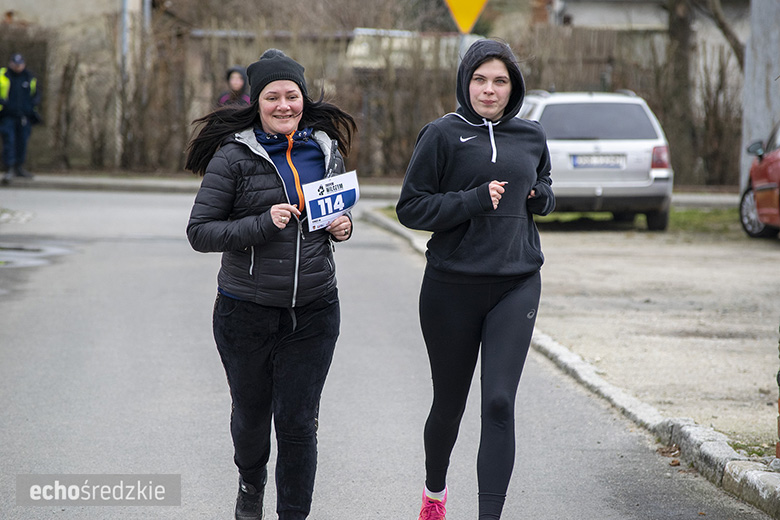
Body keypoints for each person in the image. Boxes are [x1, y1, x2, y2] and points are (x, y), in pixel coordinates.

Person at [185, 49, 356, 520]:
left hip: (315, 310)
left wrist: (343, 226)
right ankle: (250, 481)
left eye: (292, 95)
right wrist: (262, 222)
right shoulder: (234, 156)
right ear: (256, 102)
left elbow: (333, 214)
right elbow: (200, 232)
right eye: (273, 97)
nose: (284, 105)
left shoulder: (324, 149)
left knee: (300, 425)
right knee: (253, 420)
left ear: (304, 98)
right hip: (247, 312)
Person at [395, 39, 556, 520]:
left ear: (514, 87)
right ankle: (435, 493)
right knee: (449, 406)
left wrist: (540, 199)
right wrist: (471, 200)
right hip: (451, 288)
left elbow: (544, 185)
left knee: (500, 403)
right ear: (466, 82)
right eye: (480, 79)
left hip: (516, 281)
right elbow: (411, 207)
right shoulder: (442, 135)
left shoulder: (531, 135)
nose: (489, 90)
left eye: (500, 81)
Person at [0, 53, 40, 185]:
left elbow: (36, 95)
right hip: (7, 115)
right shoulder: (3, 76)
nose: (17, 67)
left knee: (22, 142)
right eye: (15, 64)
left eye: (20, 64)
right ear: (11, 63)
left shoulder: (29, 77)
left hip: (24, 116)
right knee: (9, 141)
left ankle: (18, 167)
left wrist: (32, 105)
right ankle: (9, 167)